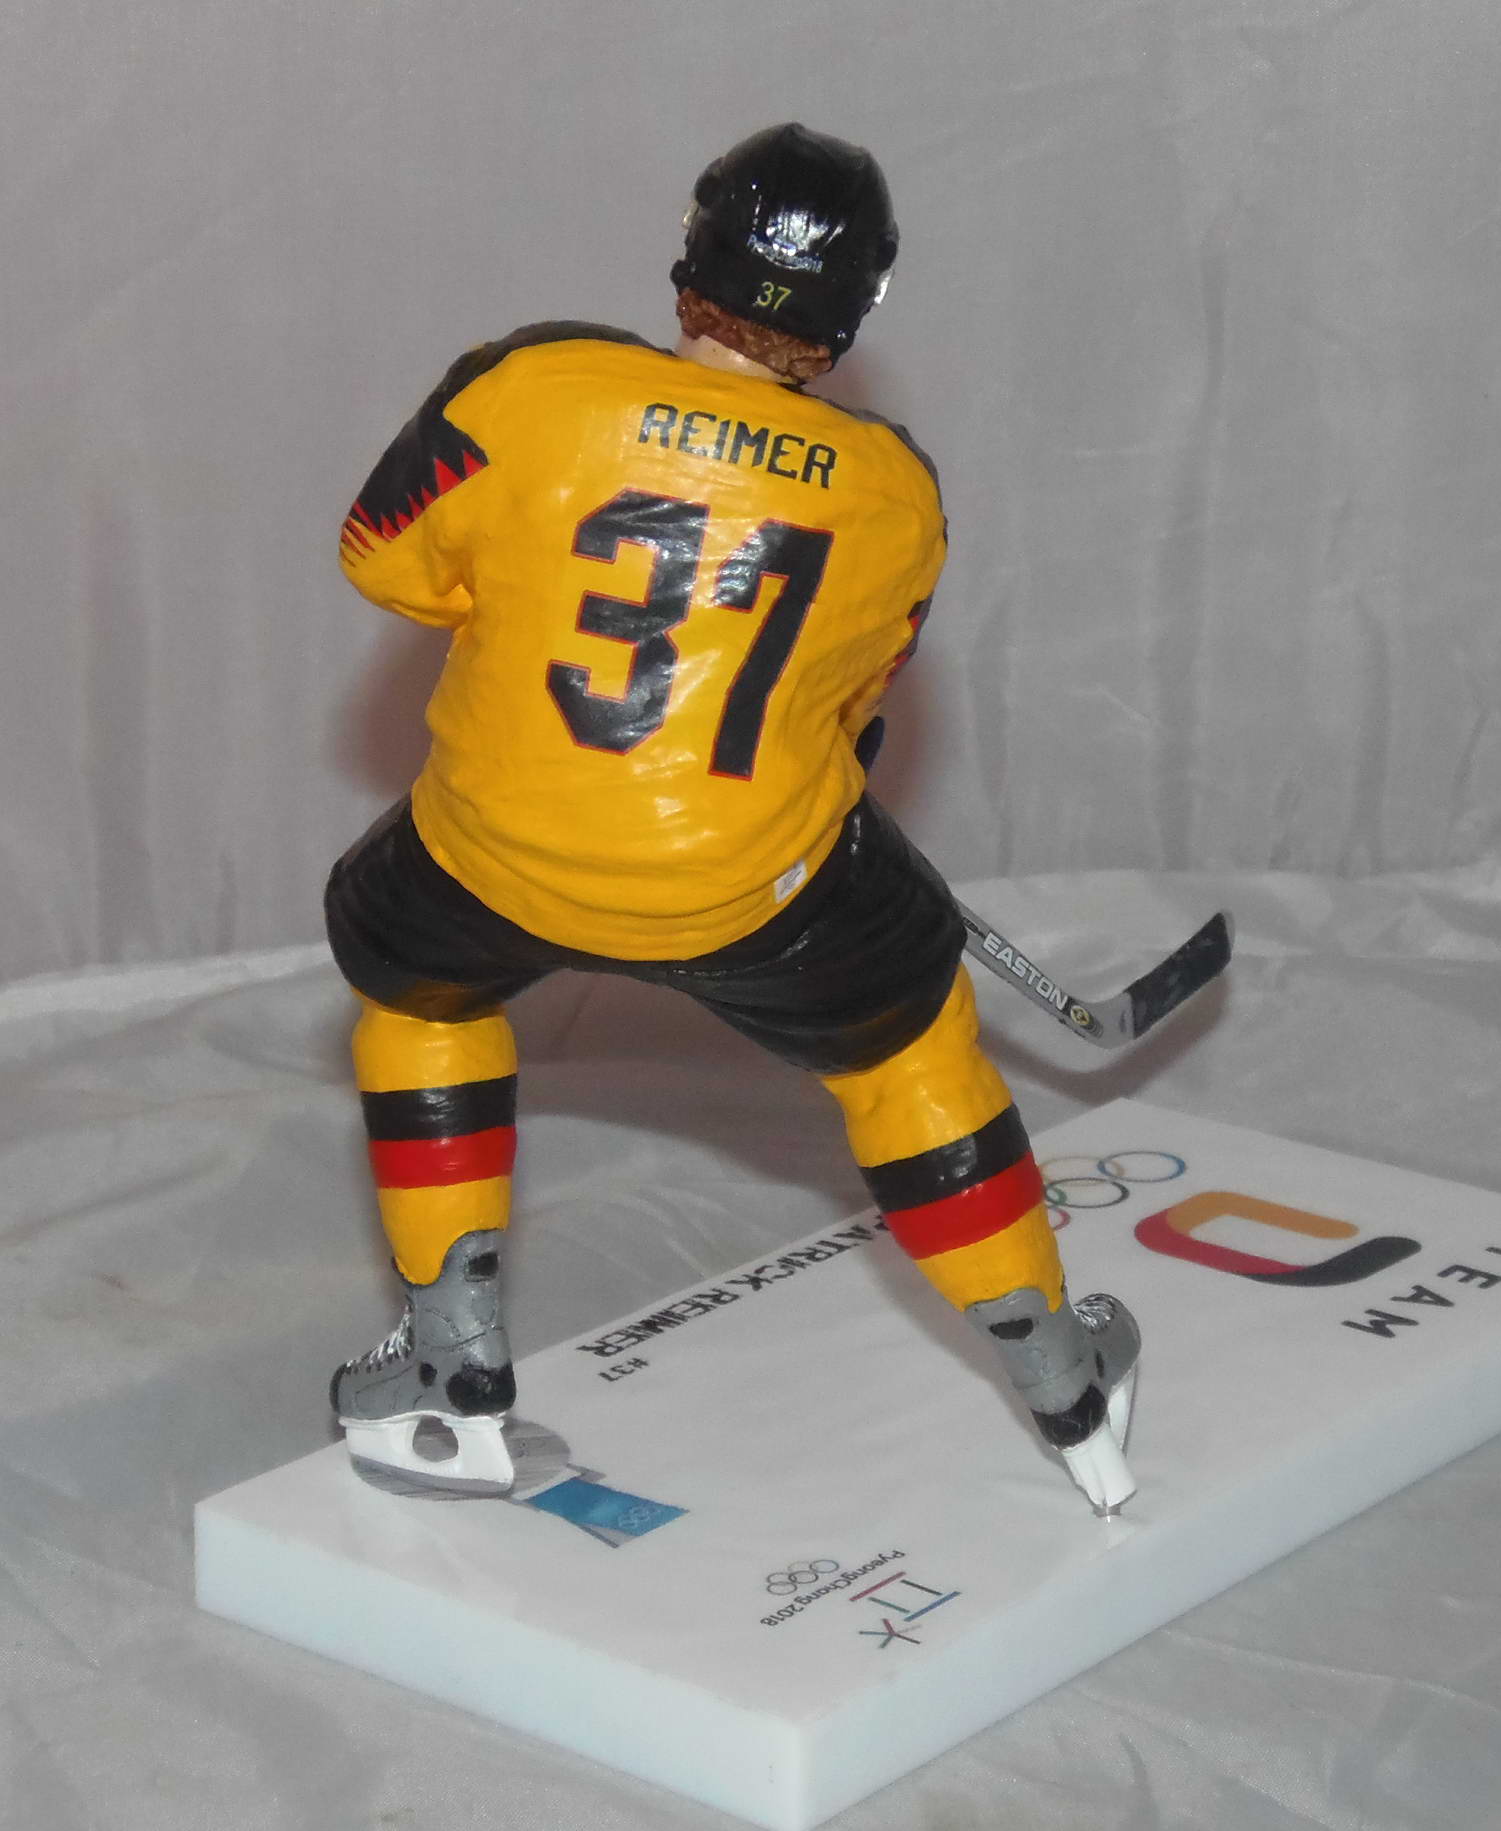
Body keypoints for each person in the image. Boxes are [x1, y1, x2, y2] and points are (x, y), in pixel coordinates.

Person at [324, 123, 1140, 1513]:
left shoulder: (526, 383)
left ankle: (453, 1366)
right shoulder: (896, 492)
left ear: (693, 250)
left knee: (419, 993)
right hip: (746, 886)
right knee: (909, 1055)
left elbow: (380, 562)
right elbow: (854, 709)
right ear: (861, 301)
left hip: (489, 857)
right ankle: (1066, 1385)